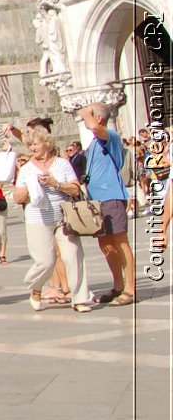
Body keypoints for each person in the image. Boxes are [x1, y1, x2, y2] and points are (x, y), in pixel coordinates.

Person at [12, 127, 93, 313]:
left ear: (47, 144)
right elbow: (17, 198)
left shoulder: (62, 164)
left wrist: (55, 184)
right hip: (37, 218)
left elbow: (75, 189)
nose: (32, 148)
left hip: (64, 216)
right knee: (45, 262)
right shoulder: (26, 169)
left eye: (35, 144)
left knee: (73, 256)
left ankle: (80, 299)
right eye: (30, 144)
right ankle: (36, 286)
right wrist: (30, 188)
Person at [78, 103, 138, 306]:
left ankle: (131, 288)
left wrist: (86, 113)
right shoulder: (94, 143)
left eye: (90, 114)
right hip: (97, 200)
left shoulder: (109, 136)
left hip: (111, 196)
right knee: (106, 244)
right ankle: (118, 285)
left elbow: (95, 128)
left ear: (100, 118)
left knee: (120, 242)